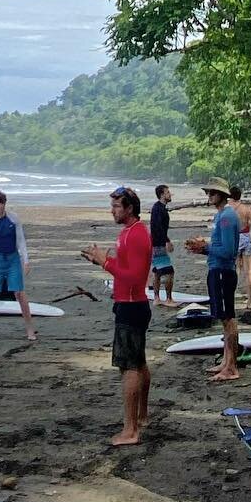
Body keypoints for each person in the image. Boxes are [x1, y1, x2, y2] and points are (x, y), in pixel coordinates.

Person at [84, 186, 154, 446]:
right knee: (139, 363)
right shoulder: (129, 233)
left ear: (129, 209)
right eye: (112, 206)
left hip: (133, 305)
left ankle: (130, 430)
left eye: (116, 206)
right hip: (129, 304)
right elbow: (127, 271)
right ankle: (141, 416)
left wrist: (105, 262)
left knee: (129, 368)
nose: (112, 210)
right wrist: (100, 260)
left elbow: (135, 277)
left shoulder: (135, 235)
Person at [186, 179, 241, 381]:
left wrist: (205, 248)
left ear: (221, 195)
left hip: (222, 272)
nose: (209, 196)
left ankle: (231, 366)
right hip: (218, 270)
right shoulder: (222, 216)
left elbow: (228, 251)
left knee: (228, 319)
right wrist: (203, 249)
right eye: (208, 193)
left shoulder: (226, 217)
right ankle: (226, 362)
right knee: (225, 319)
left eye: (212, 193)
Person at [0, 190, 35, 341]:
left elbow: (21, 240)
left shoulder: (13, 219)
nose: (1, 207)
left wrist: (26, 260)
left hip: (13, 259)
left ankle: (30, 329)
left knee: (19, 292)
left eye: (2, 203)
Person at [230, 184, 251, 306]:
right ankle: (250, 301)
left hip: (234, 238)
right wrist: (249, 224)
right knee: (249, 272)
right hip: (247, 237)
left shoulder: (228, 208)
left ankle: (230, 297)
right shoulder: (246, 209)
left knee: (234, 269)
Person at [149, 184, 175, 302]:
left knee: (157, 272)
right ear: (162, 195)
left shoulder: (160, 208)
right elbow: (157, 227)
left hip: (157, 243)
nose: (170, 194)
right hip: (157, 245)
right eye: (168, 192)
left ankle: (157, 298)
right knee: (169, 272)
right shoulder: (157, 208)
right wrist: (167, 241)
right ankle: (168, 299)